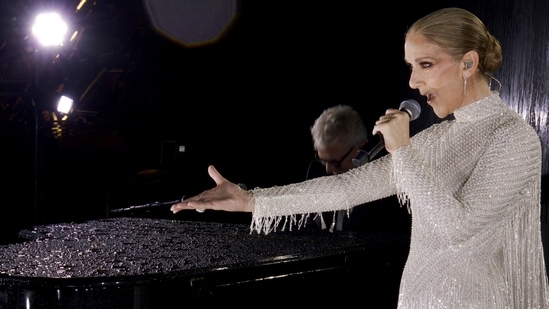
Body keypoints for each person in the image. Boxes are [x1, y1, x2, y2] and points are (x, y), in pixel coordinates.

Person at [171, 7, 549, 308]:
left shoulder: (513, 138)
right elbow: (348, 187)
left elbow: (459, 230)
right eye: (411, 66)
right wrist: (250, 200)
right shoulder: (439, 138)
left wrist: (402, 150)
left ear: (468, 63)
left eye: (426, 65)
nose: (413, 82)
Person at [307, 104, 410, 234]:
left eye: (336, 162)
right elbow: (308, 228)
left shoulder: (388, 184)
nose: (327, 169)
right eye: (323, 160)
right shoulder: (316, 170)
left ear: (361, 147)